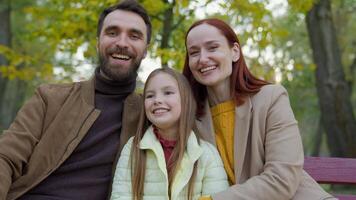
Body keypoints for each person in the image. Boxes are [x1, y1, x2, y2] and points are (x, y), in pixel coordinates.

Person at [0, 0, 151, 199]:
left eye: (134, 36)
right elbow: (6, 155)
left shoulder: (151, 113)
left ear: (146, 50)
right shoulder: (50, 98)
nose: (122, 43)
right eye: (112, 33)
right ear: (98, 42)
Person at [183, 18, 335, 200]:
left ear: (235, 52)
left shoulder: (271, 98)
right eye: (194, 52)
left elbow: (281, 179)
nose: (203, 58)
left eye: (212, 47)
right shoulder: (189, 116)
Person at [110, 68, 229, 200]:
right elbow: (120, 196)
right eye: (150, 95)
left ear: (186, 100)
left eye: (167, 92)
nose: (157, 100)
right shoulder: (132, 148)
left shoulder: (207, 154)